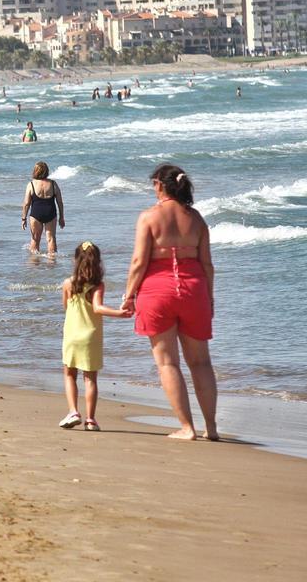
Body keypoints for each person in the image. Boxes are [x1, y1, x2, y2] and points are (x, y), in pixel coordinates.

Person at [121, 164, 217, 441]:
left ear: (160, 185)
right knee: (201, 363)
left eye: (153, 184)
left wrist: (128, 295)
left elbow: (139, 261)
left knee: (167, 364)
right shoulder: (197, 219)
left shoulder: (149, 217)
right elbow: (207, 264)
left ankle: (187, 428)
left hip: (158, 291)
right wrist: (209, 297)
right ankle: (211, 428)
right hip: (194, 289)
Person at [59, 241, 130, 430]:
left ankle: (73, 411)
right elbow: (98, 308)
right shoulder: (98, 285)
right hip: (90, 336)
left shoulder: (68, 283)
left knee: (69, 374)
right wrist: (119, 313)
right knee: (90, 378)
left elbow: (66, 307)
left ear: (76, 261)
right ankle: (90, 420)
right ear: (97, 262)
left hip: (72, 335)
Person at [21, 161, 65, 253]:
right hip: (50, 213)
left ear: (35, 171)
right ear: (46, 171)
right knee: (51, 239)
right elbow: (60, 202)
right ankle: (52, 262)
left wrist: (23, 218)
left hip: (36, 214)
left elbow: (26, 203)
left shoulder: (31, 184)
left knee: (35, 239)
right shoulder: (53, 184)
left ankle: (34, 264)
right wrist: (61, 217)